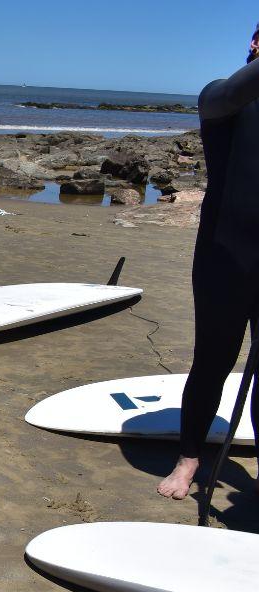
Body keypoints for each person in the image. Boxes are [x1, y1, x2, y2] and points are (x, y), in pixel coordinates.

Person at [158, 26, 259, 500]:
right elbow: (237, 90)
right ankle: (189, 458)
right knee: (212, 361)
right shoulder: (220, 97)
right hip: (224, 253)